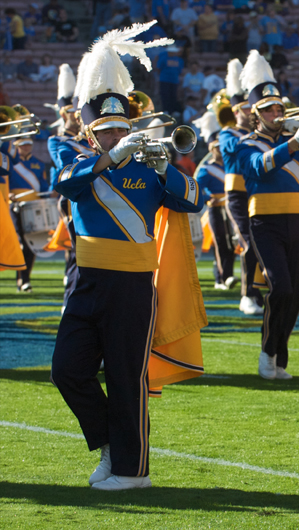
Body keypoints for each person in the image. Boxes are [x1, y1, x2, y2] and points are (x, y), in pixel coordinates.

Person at [50, 23, 203, 491]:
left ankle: (134, 472)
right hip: (87, 282)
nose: (117, 133)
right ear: (90, 131)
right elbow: (67, 181)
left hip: (135, 287)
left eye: (122, 127)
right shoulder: (73, 152)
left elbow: (192, 199)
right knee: (67, 370)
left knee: (125, 377)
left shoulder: (147, 164)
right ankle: (110, 446)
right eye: (106, 128)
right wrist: (114, 154)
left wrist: (167, 165)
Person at [236, 50, 299, 379]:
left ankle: (279, 355)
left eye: (279, 108)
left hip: (295, 219)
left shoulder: (296, 138)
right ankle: (267, 350)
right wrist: (292, 144)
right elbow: (258, 169)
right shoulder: (246, 143)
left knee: (296, 294)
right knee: (281, 288)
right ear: (256, 113)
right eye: (269, 109)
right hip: (263, 221)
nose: (276, 113)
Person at [47, 63, 94, 309]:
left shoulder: (89, 140)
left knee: (87, 256)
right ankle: (71, 303)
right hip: (70, 200)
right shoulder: (57, 140)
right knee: (79, 254)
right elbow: (68, 167)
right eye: (72, 113)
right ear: (63, 113)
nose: (77, 117)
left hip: (95, 198)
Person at [218, 59, 261, 315]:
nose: (251, 112)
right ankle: (247, 295)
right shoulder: (227, 133)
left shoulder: (259, 134)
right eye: (247, 108)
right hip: (236, 194)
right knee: (248, 242)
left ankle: (257, 291)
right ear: (236, 111)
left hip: (258, 191)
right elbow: (235, 149)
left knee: (261, 243)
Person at [195, 116, 236, 289]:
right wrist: (207, 198)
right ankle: (222, 278)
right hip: (216, 208)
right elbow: (197, 189)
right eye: (217, 147)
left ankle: (227, 275)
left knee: (232, 243)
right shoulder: (206, 169)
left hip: (231, 208)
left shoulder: (229, 166)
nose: (220, 150)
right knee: (220, 243)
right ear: (211, 149)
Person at [8, 137, 49, 292]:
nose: (27, 148)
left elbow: (42, 184)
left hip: (34, 207)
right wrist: (9, 195)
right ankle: (20, 278)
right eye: (23, 145)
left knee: (31, 244)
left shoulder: (38, 163)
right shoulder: (11, 163)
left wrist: (49, 193)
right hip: (15, 206)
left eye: (29, 145)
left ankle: (25, 279)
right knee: (20, 242)